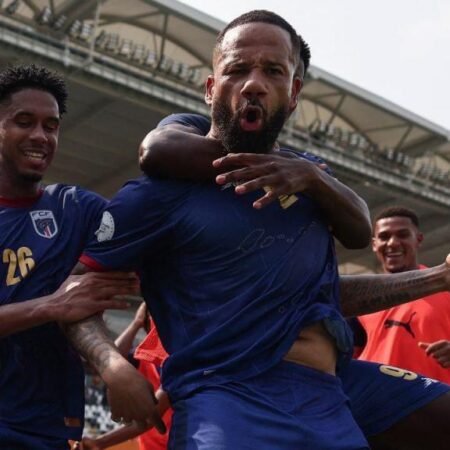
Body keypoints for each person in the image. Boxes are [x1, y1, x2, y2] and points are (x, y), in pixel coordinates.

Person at [65, 10, 450, 449]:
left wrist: (437, 276)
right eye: (237, 69)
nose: (253, 83)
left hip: (335, 386)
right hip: (231, 391)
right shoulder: (160, 192)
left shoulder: (308, 180)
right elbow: (77, 289)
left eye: (273, 71)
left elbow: (322, 290)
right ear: (211, 88)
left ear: (293, 92)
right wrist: (112, 365)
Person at [0, 64, 142, 449]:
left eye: (51, 126)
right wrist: (52, 306)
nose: (40, 136)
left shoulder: (76, 208)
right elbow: (63, 305)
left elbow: (148, 244)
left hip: (49, 427)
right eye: (24, 122)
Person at [354, 206, 450, 382]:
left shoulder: (445, 286)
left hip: (433, 403)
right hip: (373, 404)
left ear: (418, 239)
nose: (392, 243)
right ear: (374, 244)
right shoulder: (359, 298)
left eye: (402, 235)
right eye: (384, 237)